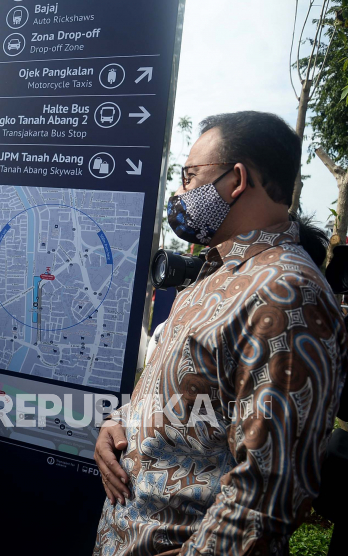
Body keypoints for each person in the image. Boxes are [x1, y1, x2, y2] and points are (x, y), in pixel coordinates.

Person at [93, 111, 348, 556]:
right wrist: (119, 424)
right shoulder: (211, 276)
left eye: (191, 177)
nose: (182, 192)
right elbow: (180, 391)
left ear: (237, 179)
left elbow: (267, 495)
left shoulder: (286, 292)